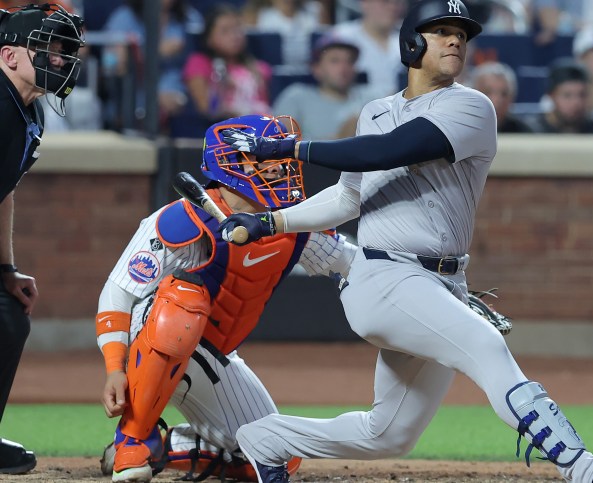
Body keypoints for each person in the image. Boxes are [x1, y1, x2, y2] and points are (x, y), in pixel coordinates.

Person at [216, 1, 593, 482]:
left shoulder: (471, 106)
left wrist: (294, 148)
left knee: (388, 434)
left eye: (460, 32)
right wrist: (270, 223)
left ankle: (265, 439)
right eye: (441, 31)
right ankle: (582, 468)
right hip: (382, 278)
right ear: (411, 43)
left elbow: (390, 150)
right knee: (485, 347)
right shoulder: (376, 111)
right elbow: (346, 198)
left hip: (443, 283)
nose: (455, 40)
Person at [97, 114, 357, 483]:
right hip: (156, 335)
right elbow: (119, 292)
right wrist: (113, 367)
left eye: (281, 160)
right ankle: (132, 440)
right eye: (267, 161)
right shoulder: (184, 219)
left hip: (215, 355)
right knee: (182, 301)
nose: (282, 169)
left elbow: (353, 263)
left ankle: (165, 448)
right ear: (233, 166)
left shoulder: (293, 222)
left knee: (277, 456)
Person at [0, 3, 84, 475]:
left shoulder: (27, 109)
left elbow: (3, 191)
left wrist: (5, 270)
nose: (59, 61)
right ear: (10, 57)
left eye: (62, 52)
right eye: (47, 51)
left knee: (8, 318)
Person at [271, 34, 382, 139]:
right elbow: (283, 145)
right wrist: (342, 139)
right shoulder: (296, 97)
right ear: (316, 69)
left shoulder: (370, 97)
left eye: (350, 61)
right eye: (335, 61)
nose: (344, 68)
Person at [183, 5, 272, 123]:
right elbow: (206, 109)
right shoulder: (199, 63)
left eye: (238, 29)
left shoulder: (259, 68)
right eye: (225, 31)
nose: (235, 36)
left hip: (262, 127)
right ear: (209, 38)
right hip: (225, 130)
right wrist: (221, 85)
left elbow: (265, 105)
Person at [526, 59, 593, 134]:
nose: (576, 102)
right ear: (551, 96)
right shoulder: (532, 131)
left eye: (582, 94)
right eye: (567, 95)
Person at [331, 0, 406, 95]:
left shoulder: (408, 39)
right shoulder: (342, 35)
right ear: (365, 3)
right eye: (385, 2)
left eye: (398, 3)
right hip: (353, 106)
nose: (393, 7)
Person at [254, 0, 328, 71]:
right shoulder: (262, 16)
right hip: (275, 73)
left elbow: (325, 43)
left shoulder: (313, 12)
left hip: (310, 71)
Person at [469, 61, 532, 133]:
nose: (497, 100)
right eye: (487, 92)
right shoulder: (459, 129)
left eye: (504, 94)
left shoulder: (524, 133)